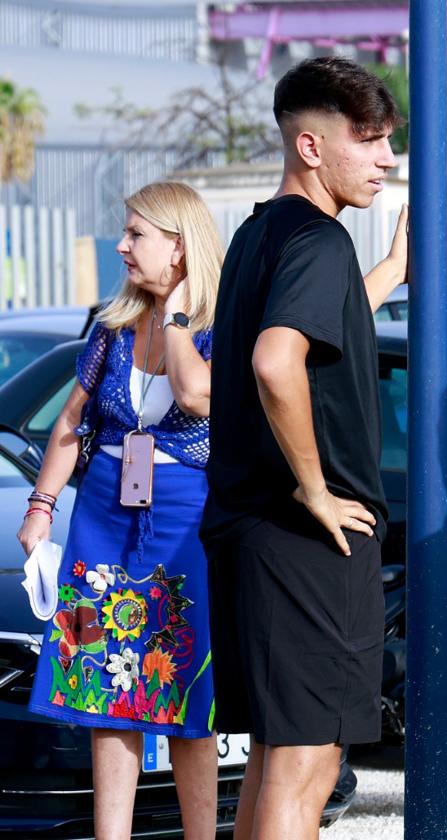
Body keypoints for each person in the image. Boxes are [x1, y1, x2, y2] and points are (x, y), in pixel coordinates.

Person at [201, 56, 408, 840]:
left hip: (252, 535)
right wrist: (316, 488)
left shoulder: (261, 233)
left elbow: (318, 329)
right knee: (309, 765)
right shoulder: (318, 241)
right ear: (312, 147)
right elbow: (274, 360)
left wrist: (391, 269)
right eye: (370, 140)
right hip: (307, 541)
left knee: (277, 758)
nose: (386, 158)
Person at [20, 180, 224, 839]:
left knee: (187, 698)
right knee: (102, 694)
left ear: (180, 247)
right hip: (101, 520)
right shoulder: (110, 329)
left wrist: (177, 318)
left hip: (186, 521)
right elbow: (70, 425)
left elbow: (204, 403)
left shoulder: (221, 330)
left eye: (137, 234)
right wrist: (43, 506)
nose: (121, 245)